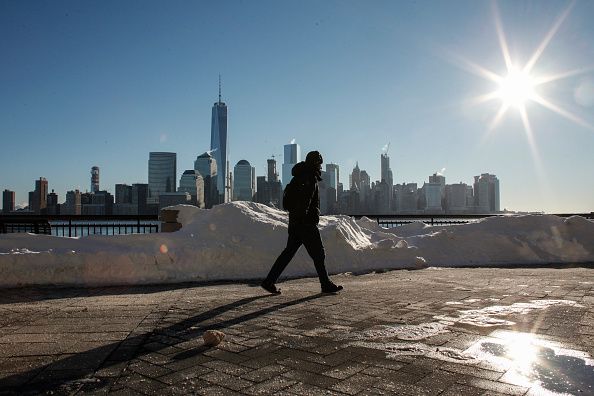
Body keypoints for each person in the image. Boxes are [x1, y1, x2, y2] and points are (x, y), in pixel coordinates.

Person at [261, 150, 343, 294]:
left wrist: (297, 221)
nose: (320, 167)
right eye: (319, 163)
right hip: (305, 224)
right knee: (319, 254)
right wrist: (305, 221)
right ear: (315, 163)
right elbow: (305, 201)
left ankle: (269, 281)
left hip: (295, 222)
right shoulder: (309, 177)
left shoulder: (299, 176)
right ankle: (325, 284)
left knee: (288, 253)